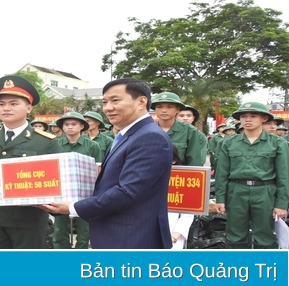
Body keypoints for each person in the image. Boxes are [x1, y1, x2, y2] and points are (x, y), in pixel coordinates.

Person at [39, 78, 173, 249]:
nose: (108, 108)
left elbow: (128, 192)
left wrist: (73, 207)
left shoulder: (149, 136)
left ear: (141, 102)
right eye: (104, 102)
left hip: (132, 238)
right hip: (116, 233)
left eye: (115, 100)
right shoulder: (127, 135)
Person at [0, 75, 59, 249]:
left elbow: (54, 182)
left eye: (13, 104)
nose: (6, 108)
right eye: (2, 104)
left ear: (29, 107)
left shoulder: (46, 141)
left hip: (28, 219)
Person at [215, 102, 289, 249]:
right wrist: (220, 199)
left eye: (253, 116)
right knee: (235, 236)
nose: (247, 119)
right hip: (236, 191)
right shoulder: (229, 143)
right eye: (243, 116)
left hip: (265, 191)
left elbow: (284, 176)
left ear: (264, 118)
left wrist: (281, 204)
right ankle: (238, 268)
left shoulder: (278, 143)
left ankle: (266, 269)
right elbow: (221, 173)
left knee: (265, 236)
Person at [53, 112, 101, 249]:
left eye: (74, 124)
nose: (70, 127)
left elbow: (97, 169)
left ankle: (81, 253)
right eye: (66, 124)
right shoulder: (55, 144)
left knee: (84, 226)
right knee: (59, 225)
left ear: (81, 126)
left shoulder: (92, 146)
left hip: (85, 190)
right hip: (61, 188)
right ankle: (61, 253)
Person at [152, 92, 206, 167]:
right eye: (159, 107)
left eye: (169, 107)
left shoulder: (189, 131)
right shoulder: (147, 130)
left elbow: (194, 161)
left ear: (178, 110)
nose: (164, 110)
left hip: (179, 177)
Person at [168, 146, 194, 249]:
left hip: (172, 238)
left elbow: (188, 214)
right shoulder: (144, 178)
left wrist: (175, 236)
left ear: (174, 160)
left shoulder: (183, 180)